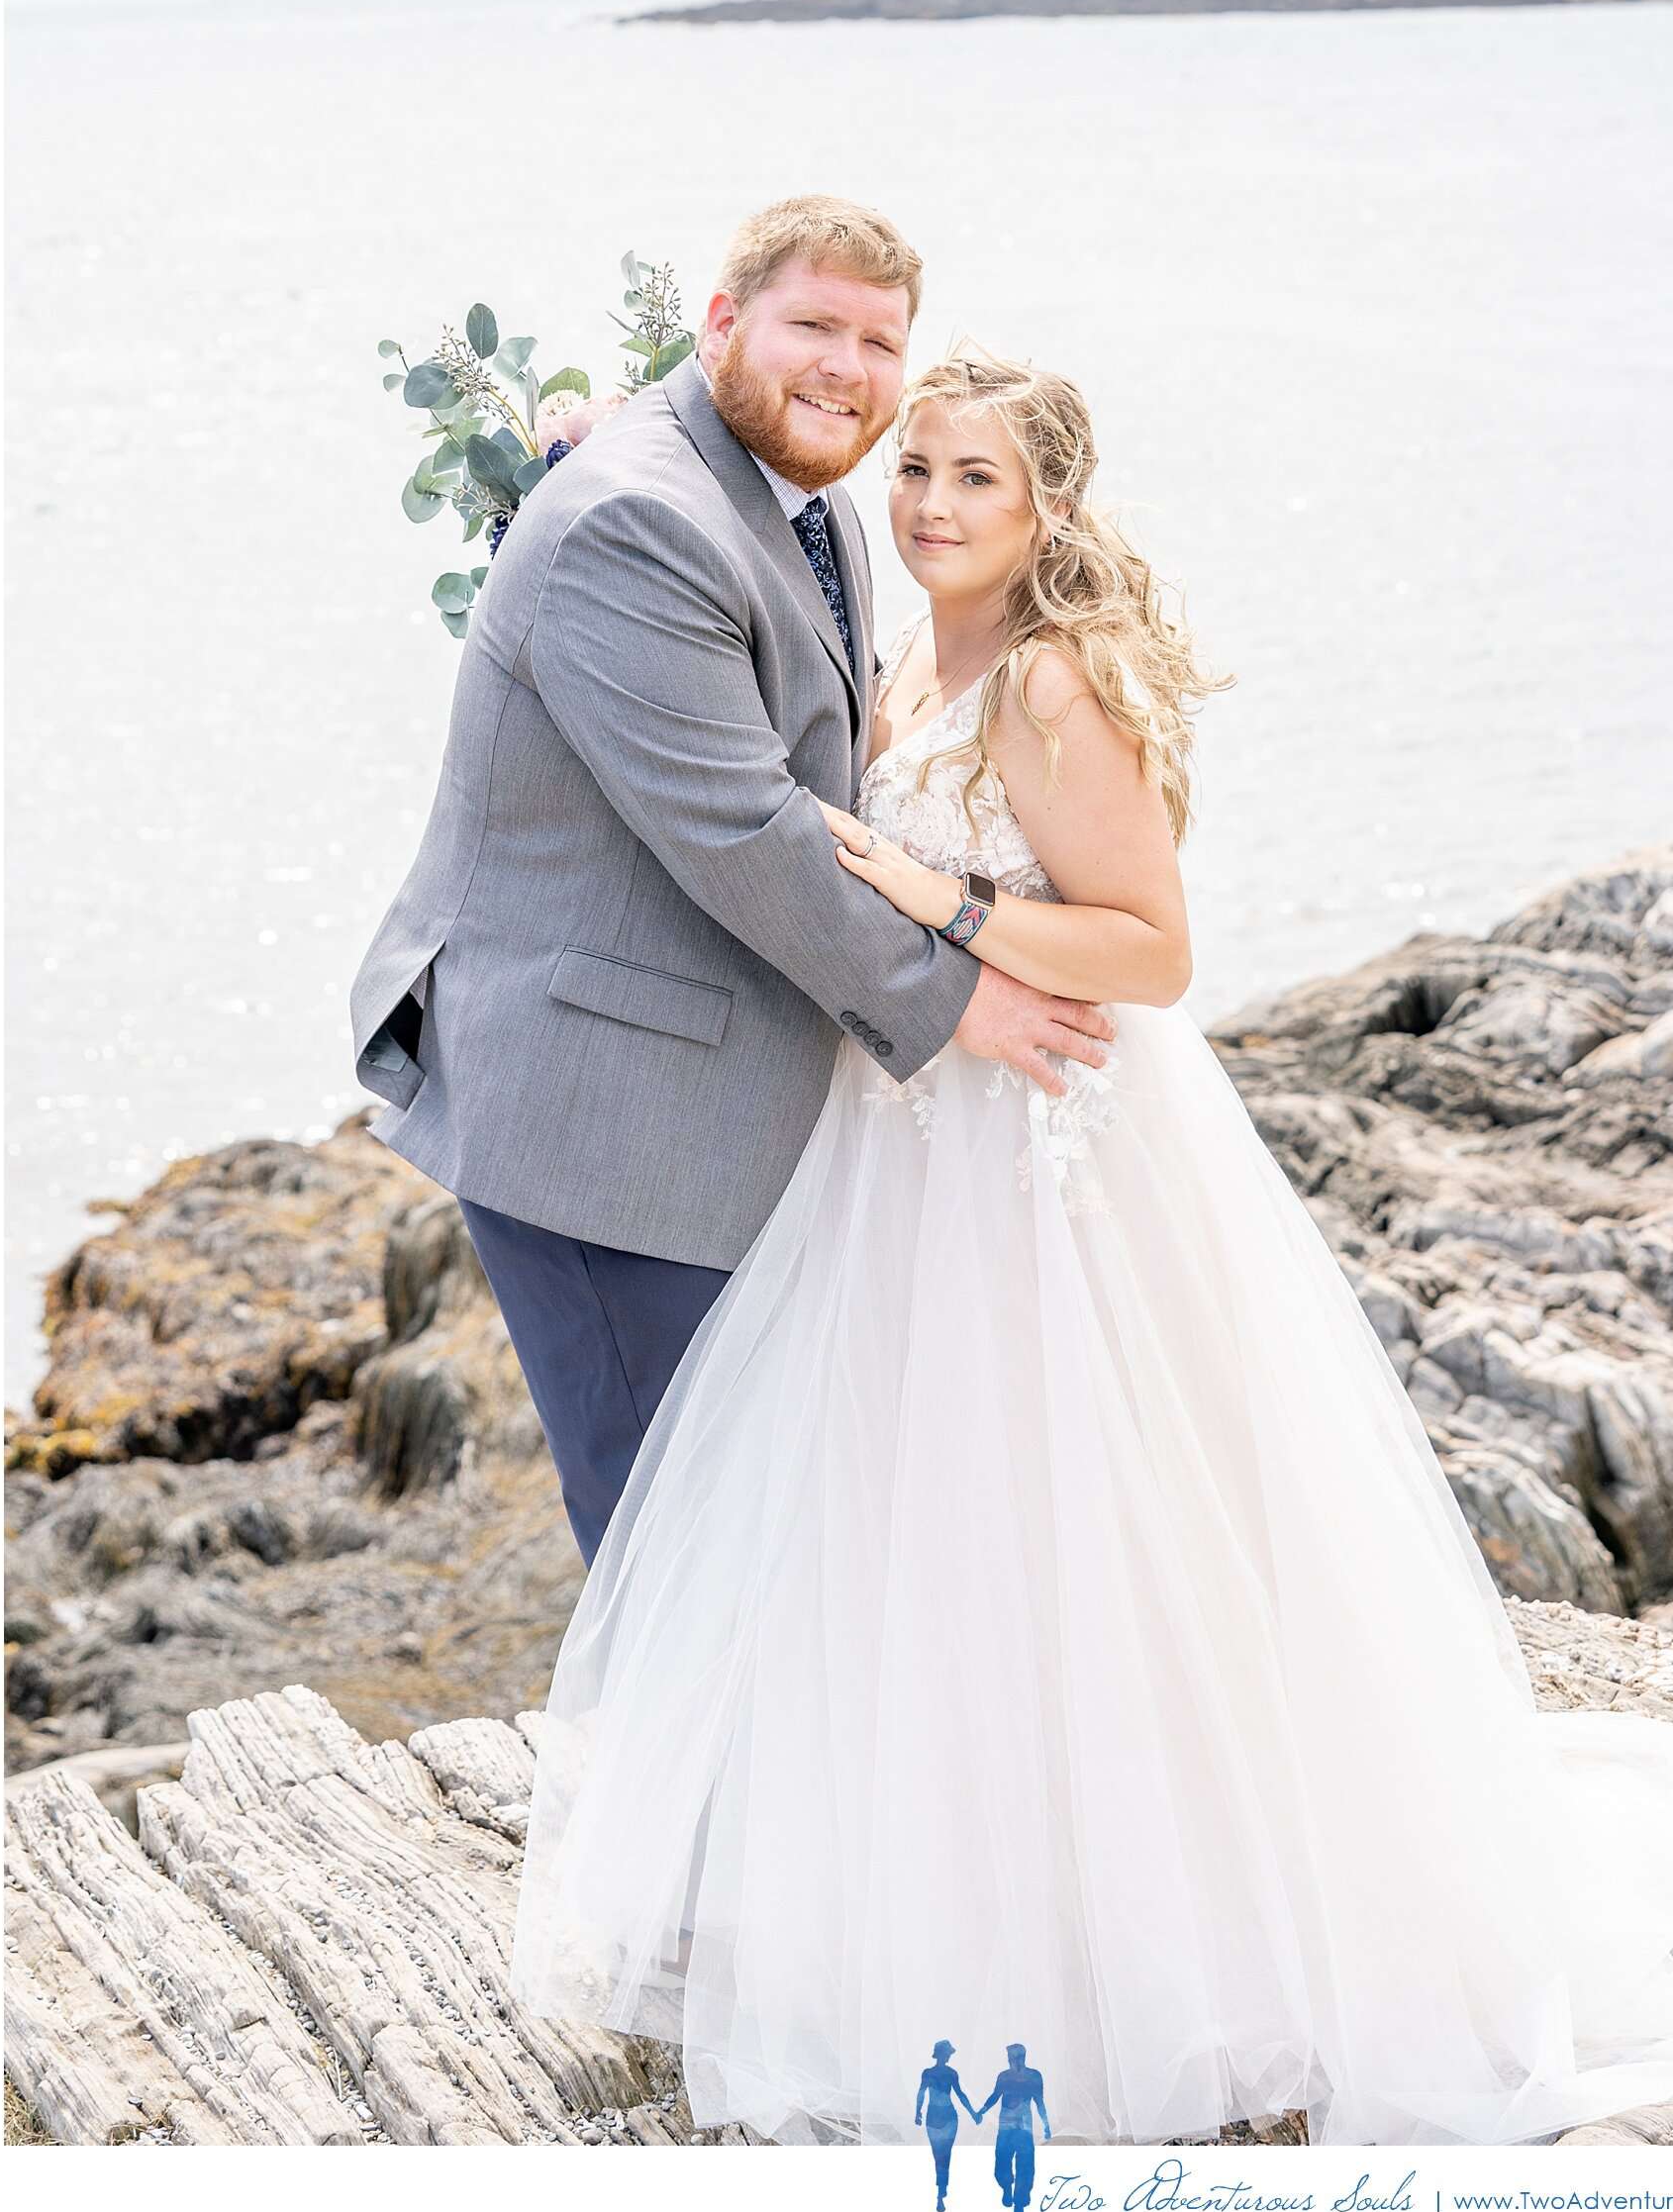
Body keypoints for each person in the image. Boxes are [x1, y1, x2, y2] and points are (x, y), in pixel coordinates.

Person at [506, 342, 1673, 2150]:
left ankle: (1173, 1954)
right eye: (921, 470)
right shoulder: (896, 654)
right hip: (901, 1151)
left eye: (976, 480)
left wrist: (938, 901)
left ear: (1047, 515)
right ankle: (952, 1914)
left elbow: (1153, 949)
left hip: (1050, 1159)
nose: (933, 503)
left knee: (1093, 1532)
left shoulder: (1044, 683)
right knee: (920, 1543)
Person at [347, 197, 1111, 1565]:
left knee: (761, 1532)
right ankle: (672, 1791)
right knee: (675, 1546)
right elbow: (743, 828)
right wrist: (959, 1003)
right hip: (607, 1118)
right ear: (718, 323)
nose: (846, 366)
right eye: (812, 324)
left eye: (879, 340)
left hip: (712, 1087)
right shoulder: (636, 519)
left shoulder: (810, 505)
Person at [977, 2045, 1050, 2212]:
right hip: (1007, 2127)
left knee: (1024, 2164)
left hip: (1023, 2128)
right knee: (1004, 2161)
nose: (1012, 2060)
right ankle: (1008, 2189)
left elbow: (1039, 2102)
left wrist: (1046, 2125)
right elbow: (995, 2096)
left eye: (1013, 2057)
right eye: (1011, 2057)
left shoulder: (1033, 2076)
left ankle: (1019, 2203)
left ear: (1020, 2057)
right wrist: (981, 2111)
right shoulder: (1005, 2077)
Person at [915, 2039, 979, 2208]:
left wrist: (973, 2113)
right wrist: (917, 2112)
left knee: (945, 2154)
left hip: (949, 2118)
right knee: (938, 2155)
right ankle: (941, 2188)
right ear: (942, 2054)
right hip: (934, 2118)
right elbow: (921, 2093)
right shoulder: (928, 2073)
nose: (949, 2056)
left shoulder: (952, 2074)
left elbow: (960, 2094)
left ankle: (941, 2190)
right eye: (948, 2053)